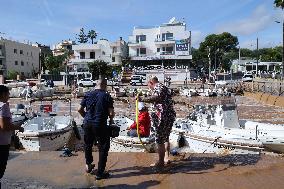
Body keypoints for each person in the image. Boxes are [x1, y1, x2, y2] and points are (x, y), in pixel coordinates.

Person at [78, 79, 115, 180]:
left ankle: (88, 164)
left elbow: (79, 110)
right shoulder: (107, 96)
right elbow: (111, 113)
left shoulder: (88, 94)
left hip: (87, 124)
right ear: (104, 85)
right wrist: (111, 121)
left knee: (88, 144)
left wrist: (86, 117)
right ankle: (100, 172)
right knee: (103, 147)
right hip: (100, 124)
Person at [139, 76, 176, 167]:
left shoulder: (158, 87)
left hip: (161, 117)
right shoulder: (164, 87)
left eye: (149, 86)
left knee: (159, 139)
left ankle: (161, 162)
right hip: (169, 116)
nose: (149, 88)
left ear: (151, 82)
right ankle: (166, 158)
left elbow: (156, 97)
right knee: (166, 137)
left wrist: (142, 99)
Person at [0, 85, 24, 188]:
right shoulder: (3, 106)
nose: (9, 96)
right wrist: (18, 127)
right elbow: (4, 126)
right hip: (2, 143)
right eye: (8, 94)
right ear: (3, 94)